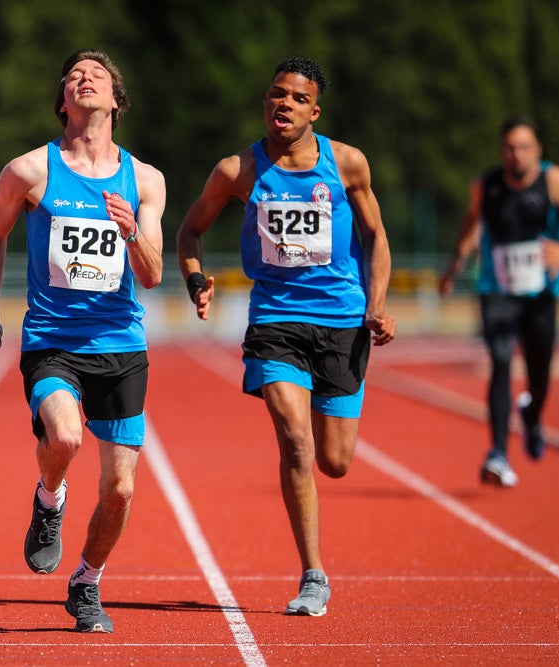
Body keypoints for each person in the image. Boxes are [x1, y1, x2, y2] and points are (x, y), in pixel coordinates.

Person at [176, 57, 395, 617]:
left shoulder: (347, 165)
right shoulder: (238, 171)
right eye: (276, 95)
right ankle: (313, 575)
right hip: (274, 321)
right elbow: (190, 231)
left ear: (314, 110)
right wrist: (197, 280)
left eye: (297, 98)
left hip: (343, 322)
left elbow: (375, 235)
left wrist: (376, 306)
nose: (284, 104)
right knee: (294, 440)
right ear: (264, 102)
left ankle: (316, 553)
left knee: (335, 460)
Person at [0, 48, 164, 634]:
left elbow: (154, 275)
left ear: (116, 101)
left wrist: (132, 234)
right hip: (53, 339)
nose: (85, 80)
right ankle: (49, 498)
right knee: (64, 436)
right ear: (63, 101)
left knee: (121, 490)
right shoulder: (30, 171)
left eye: (98, 75)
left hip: (121, 344)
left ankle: (86, 583)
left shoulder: (145, 180)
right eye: (74, 76)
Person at [439, 115, 559, 488]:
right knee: (501, 361)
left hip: (541, 294)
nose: (517, 155)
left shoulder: (554, 181)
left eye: (525, 147)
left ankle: (532, 413)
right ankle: (497, 453)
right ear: (502, 151)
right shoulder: (486, 186)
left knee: (539, 374)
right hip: (497, 291)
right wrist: (454, 265)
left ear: (537, 150)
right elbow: (470, 222)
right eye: (510, 148)